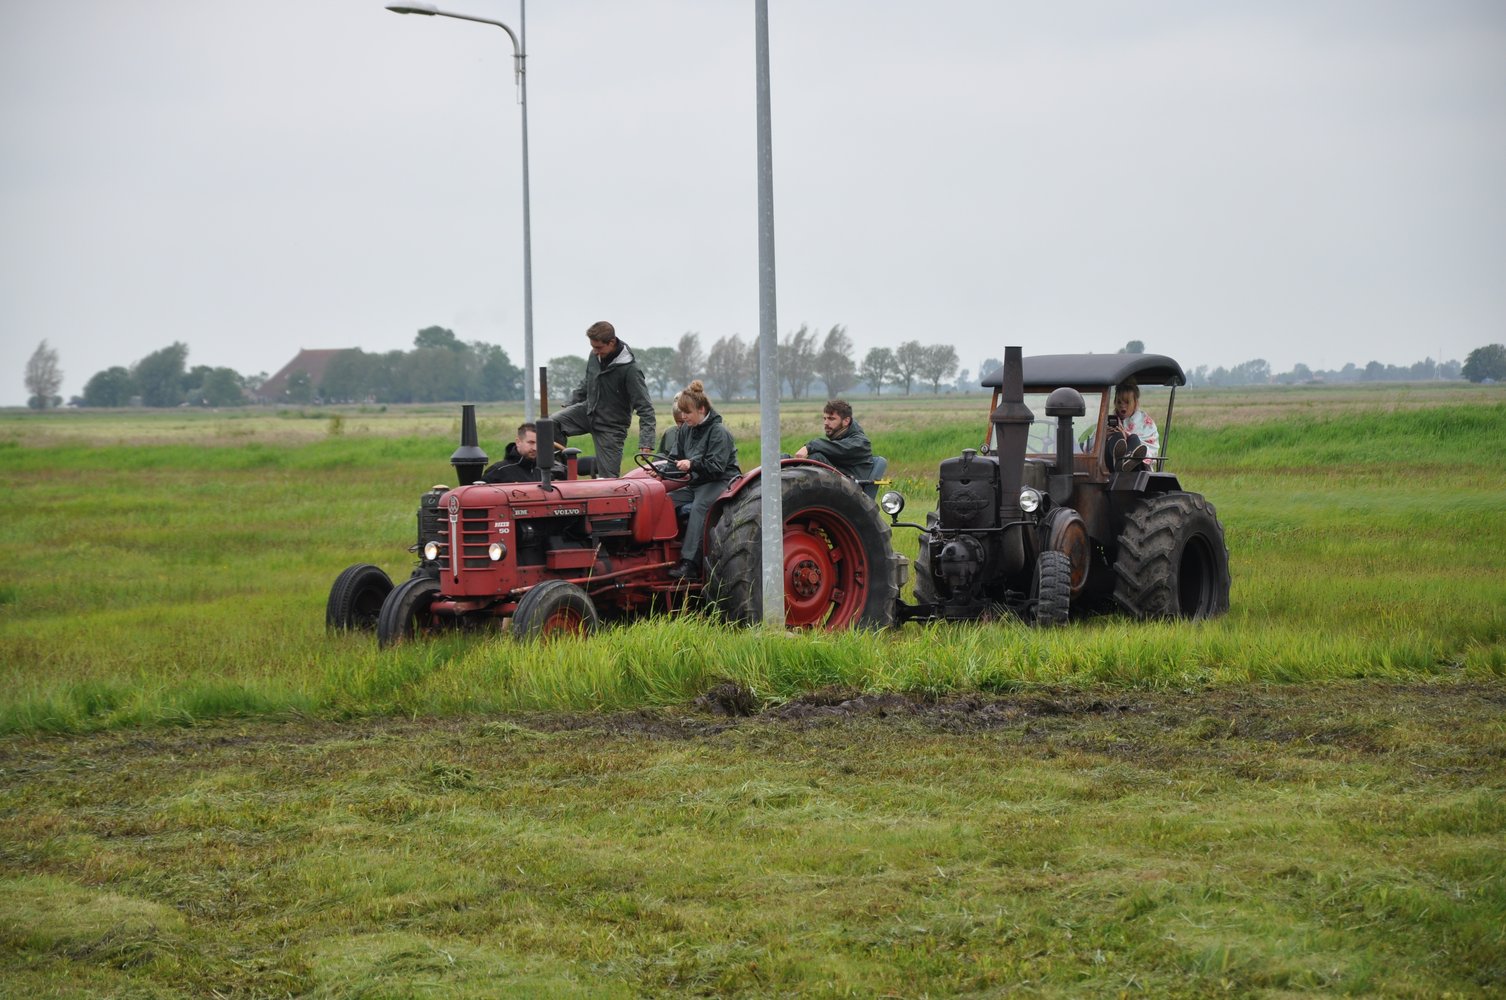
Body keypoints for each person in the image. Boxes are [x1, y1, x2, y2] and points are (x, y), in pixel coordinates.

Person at [552, 321, 656, 478]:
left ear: (611, 342)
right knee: (551, 424)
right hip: (587, 411)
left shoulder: (631, 370)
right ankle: (559, 471)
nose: (595, 351)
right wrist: (570, 403)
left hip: (611, 427)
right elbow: (588, 381)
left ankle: (601, 475)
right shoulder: (595, 356)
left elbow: (645, 408)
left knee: (608, 479)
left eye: (599, 347)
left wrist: (646, 442)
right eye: (592, 347)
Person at [666, 381, 739, 580]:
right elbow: (674, 459)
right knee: (665, 501)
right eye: (681, 412)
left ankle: (689, 563)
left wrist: (692, 464)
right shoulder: (685, 430)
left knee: (699, 507)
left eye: (687, 412)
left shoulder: (718, 432)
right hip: (697, 482)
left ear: (702, 409)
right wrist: (661, 472)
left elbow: (716, 466)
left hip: (721, 481)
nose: (683, 416)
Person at [794, 399, 874, 480]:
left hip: (853, 485)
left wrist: (809, 447)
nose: (826, 423)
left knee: (817, 458)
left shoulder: (861, 442)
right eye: (825, 419)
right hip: (837, 482)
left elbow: (841, 449)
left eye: (831, 419)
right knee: (787, 459)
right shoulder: (837, 440)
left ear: (846, 421)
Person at [480, 422, 563, 483]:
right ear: (518, 442)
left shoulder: (546, 471)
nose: (535, 448)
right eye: (531, 442)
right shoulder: (498, 471)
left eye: (539, 443)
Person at [1109, 379, 1159, 471]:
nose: (1122, 406)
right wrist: (1103, 436)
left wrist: (1126, 435)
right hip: (1109, 465)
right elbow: (1092, 446)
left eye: (1127, 402)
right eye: (1119, 402)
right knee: (1117, 436)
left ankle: (1127, 460)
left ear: (1135, 403)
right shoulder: (1108, 421)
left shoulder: (1145, 422)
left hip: (1138, 467)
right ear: (1115, 402)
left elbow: (1151, 449)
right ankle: (1119, 463)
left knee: (1134, 438)